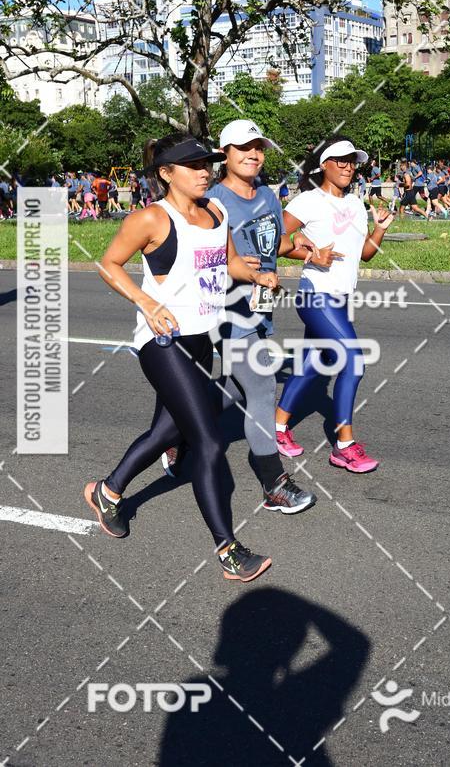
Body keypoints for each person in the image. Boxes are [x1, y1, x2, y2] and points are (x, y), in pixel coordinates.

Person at [84, 132, 275, 583]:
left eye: (207, 162)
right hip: (163, 343)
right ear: (166, 173)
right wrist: (147, 304)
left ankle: (107, 492)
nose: (205, 170)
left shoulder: (216, 211)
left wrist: (257, 275)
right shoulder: (152, 218)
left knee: (165, 429)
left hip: (200, 339)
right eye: (193, 165)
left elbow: (225, 261)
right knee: (208, 442)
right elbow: (109, 264)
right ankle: (229, 549)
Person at [162, 118, 318, 515]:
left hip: (260, 304)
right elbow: (201, 258)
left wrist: (296, 242)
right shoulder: (211, 201)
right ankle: (273, 483)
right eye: (244, 147)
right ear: (225, 155)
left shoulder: (266, 195)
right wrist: (241, 270)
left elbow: (273, 241)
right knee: (263, 386)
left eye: (259, 147)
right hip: (225, 310)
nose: (253, 154)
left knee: (233, 388)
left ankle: (178, 430)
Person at [274, 135, 394, 474]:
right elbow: (276, 243)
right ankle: (343, 446)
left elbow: (365, 255)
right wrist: (311, 252)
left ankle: (277, 426)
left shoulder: (355, 205)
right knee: (352, 361)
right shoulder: (308, 202)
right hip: (315, 295)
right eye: (340, 160)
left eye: (352, 161)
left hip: (340, 300)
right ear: (323, 165)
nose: (347, 167)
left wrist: (380, 229)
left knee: (314, 360)